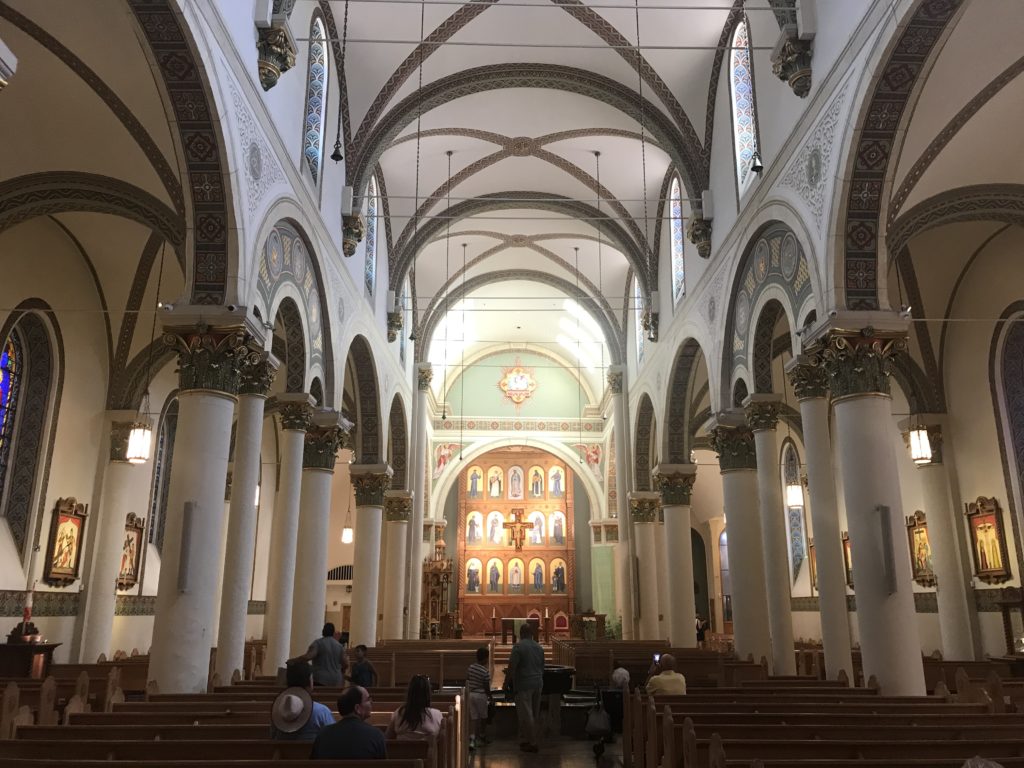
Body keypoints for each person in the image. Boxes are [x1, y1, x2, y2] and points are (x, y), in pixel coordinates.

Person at [311, 686, 386, 759]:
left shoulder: (323, 734)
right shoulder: (375, 735)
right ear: (357, 708)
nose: (371, 702)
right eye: (368, 699)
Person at [271, 660, 335, 740]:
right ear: (310, 682)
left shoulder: (277, 711)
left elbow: (273, 736)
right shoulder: (321, 711)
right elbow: (333, 738)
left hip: (283, 752)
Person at [508, 623, 545, 753]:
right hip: (538, 682)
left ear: (521, 634)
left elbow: (512, 666)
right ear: (532, 634)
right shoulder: (539, 648)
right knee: (534, 713)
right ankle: (527, 740)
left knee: (526, 714)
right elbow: (542, 667)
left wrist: (507, 682)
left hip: (524, 683)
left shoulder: (518, 647)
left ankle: (533, 742)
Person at [385, 675, 445, 741]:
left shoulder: (399, 713)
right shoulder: (436, 715)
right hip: (428, 751)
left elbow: (387, 739)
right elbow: (443, 742)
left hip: (403, 751)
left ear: (410, 693)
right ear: (428, 694)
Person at [288, 623, 346, 687]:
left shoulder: (318, 643)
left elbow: (308, 657)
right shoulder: (339, 646)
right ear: (333, 633)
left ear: (323, 631)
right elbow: (345, 663)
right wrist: (340, 672)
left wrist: (294, 660)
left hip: (320, 680)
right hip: (336, 680)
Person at [466, 647, 491, 750]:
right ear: (485, 658)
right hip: (481, 695)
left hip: (471, 694)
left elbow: (467, 679)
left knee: (474, 717)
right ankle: (482, 736)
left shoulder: (470, 668)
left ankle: (472, 738)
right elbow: (486, 686)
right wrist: (490, 695)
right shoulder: (485, 671)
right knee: (484, 717)